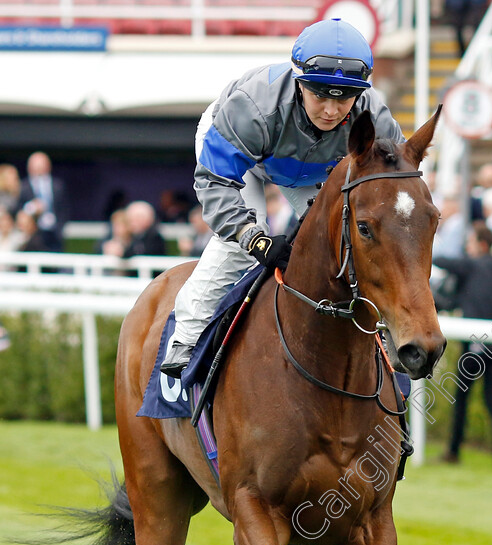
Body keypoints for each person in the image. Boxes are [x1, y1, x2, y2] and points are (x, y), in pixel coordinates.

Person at [161, 17, 406, 377]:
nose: (330, 110)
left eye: (344, 100)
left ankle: (376, 332)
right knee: (239, 241)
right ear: (299, 81)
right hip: (239, 157)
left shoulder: (376, 118)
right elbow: (215, 182)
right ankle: (186, 337)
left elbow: (396, 187)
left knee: (347, 234)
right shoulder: (251, 106)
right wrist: (254, 239)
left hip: (307, 166)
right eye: (320, 95)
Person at [433, 221, 492, 468]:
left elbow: (442, 261)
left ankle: (454, 451)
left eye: (469, 243)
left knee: (461, 398)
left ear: (481, 245)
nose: (467, 248)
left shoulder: (472, 266)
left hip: (474, 345)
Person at [18, 151, 69, 252]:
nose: (39, 168)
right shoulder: (23, 187)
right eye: (36, 166)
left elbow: (64, 209)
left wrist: (59, 228)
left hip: (54, 234)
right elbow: (19, 210)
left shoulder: (57, 186)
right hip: (34, 235)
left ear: (48, 166)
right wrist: (32, 208)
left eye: (41, 165)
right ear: (29, 167)